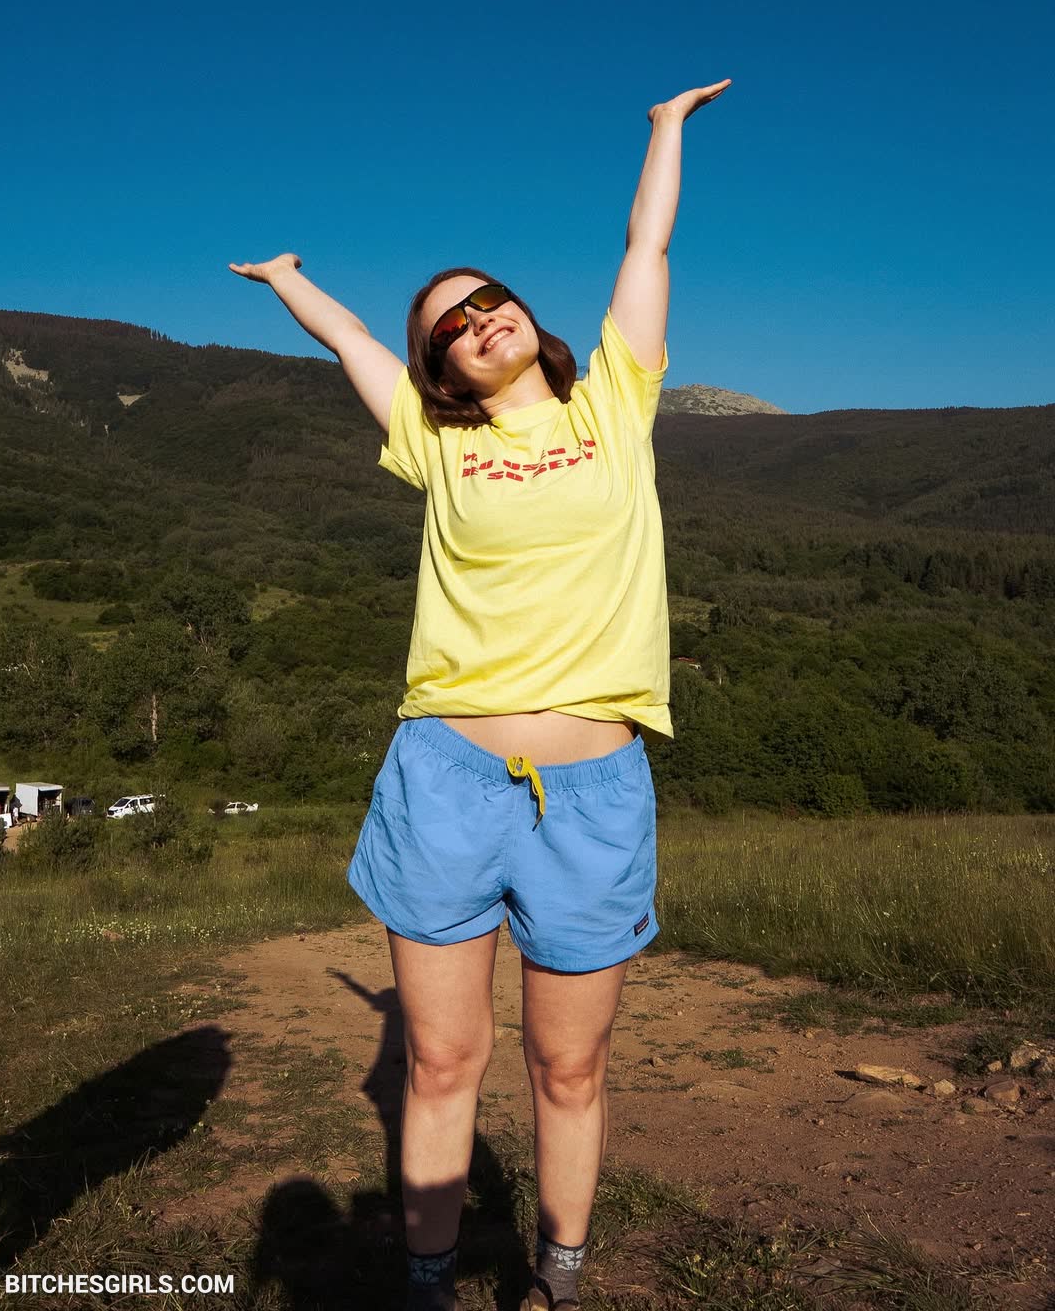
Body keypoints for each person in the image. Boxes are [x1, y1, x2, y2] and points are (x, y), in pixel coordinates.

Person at [230, 77, 730, 1311]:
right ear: (443, 366)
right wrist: (289, 280)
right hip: (446, 784)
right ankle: (428, 1285)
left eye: (490, 300)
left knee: (571, 1070)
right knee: (443, 1062)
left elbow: (646, 248)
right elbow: (356, 345)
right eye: (451, 324)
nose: (478, 320)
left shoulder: (616, 402)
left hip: (594, 793)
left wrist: (664, 130)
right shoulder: (438, 442)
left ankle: (558, 1279)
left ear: (528, 317)